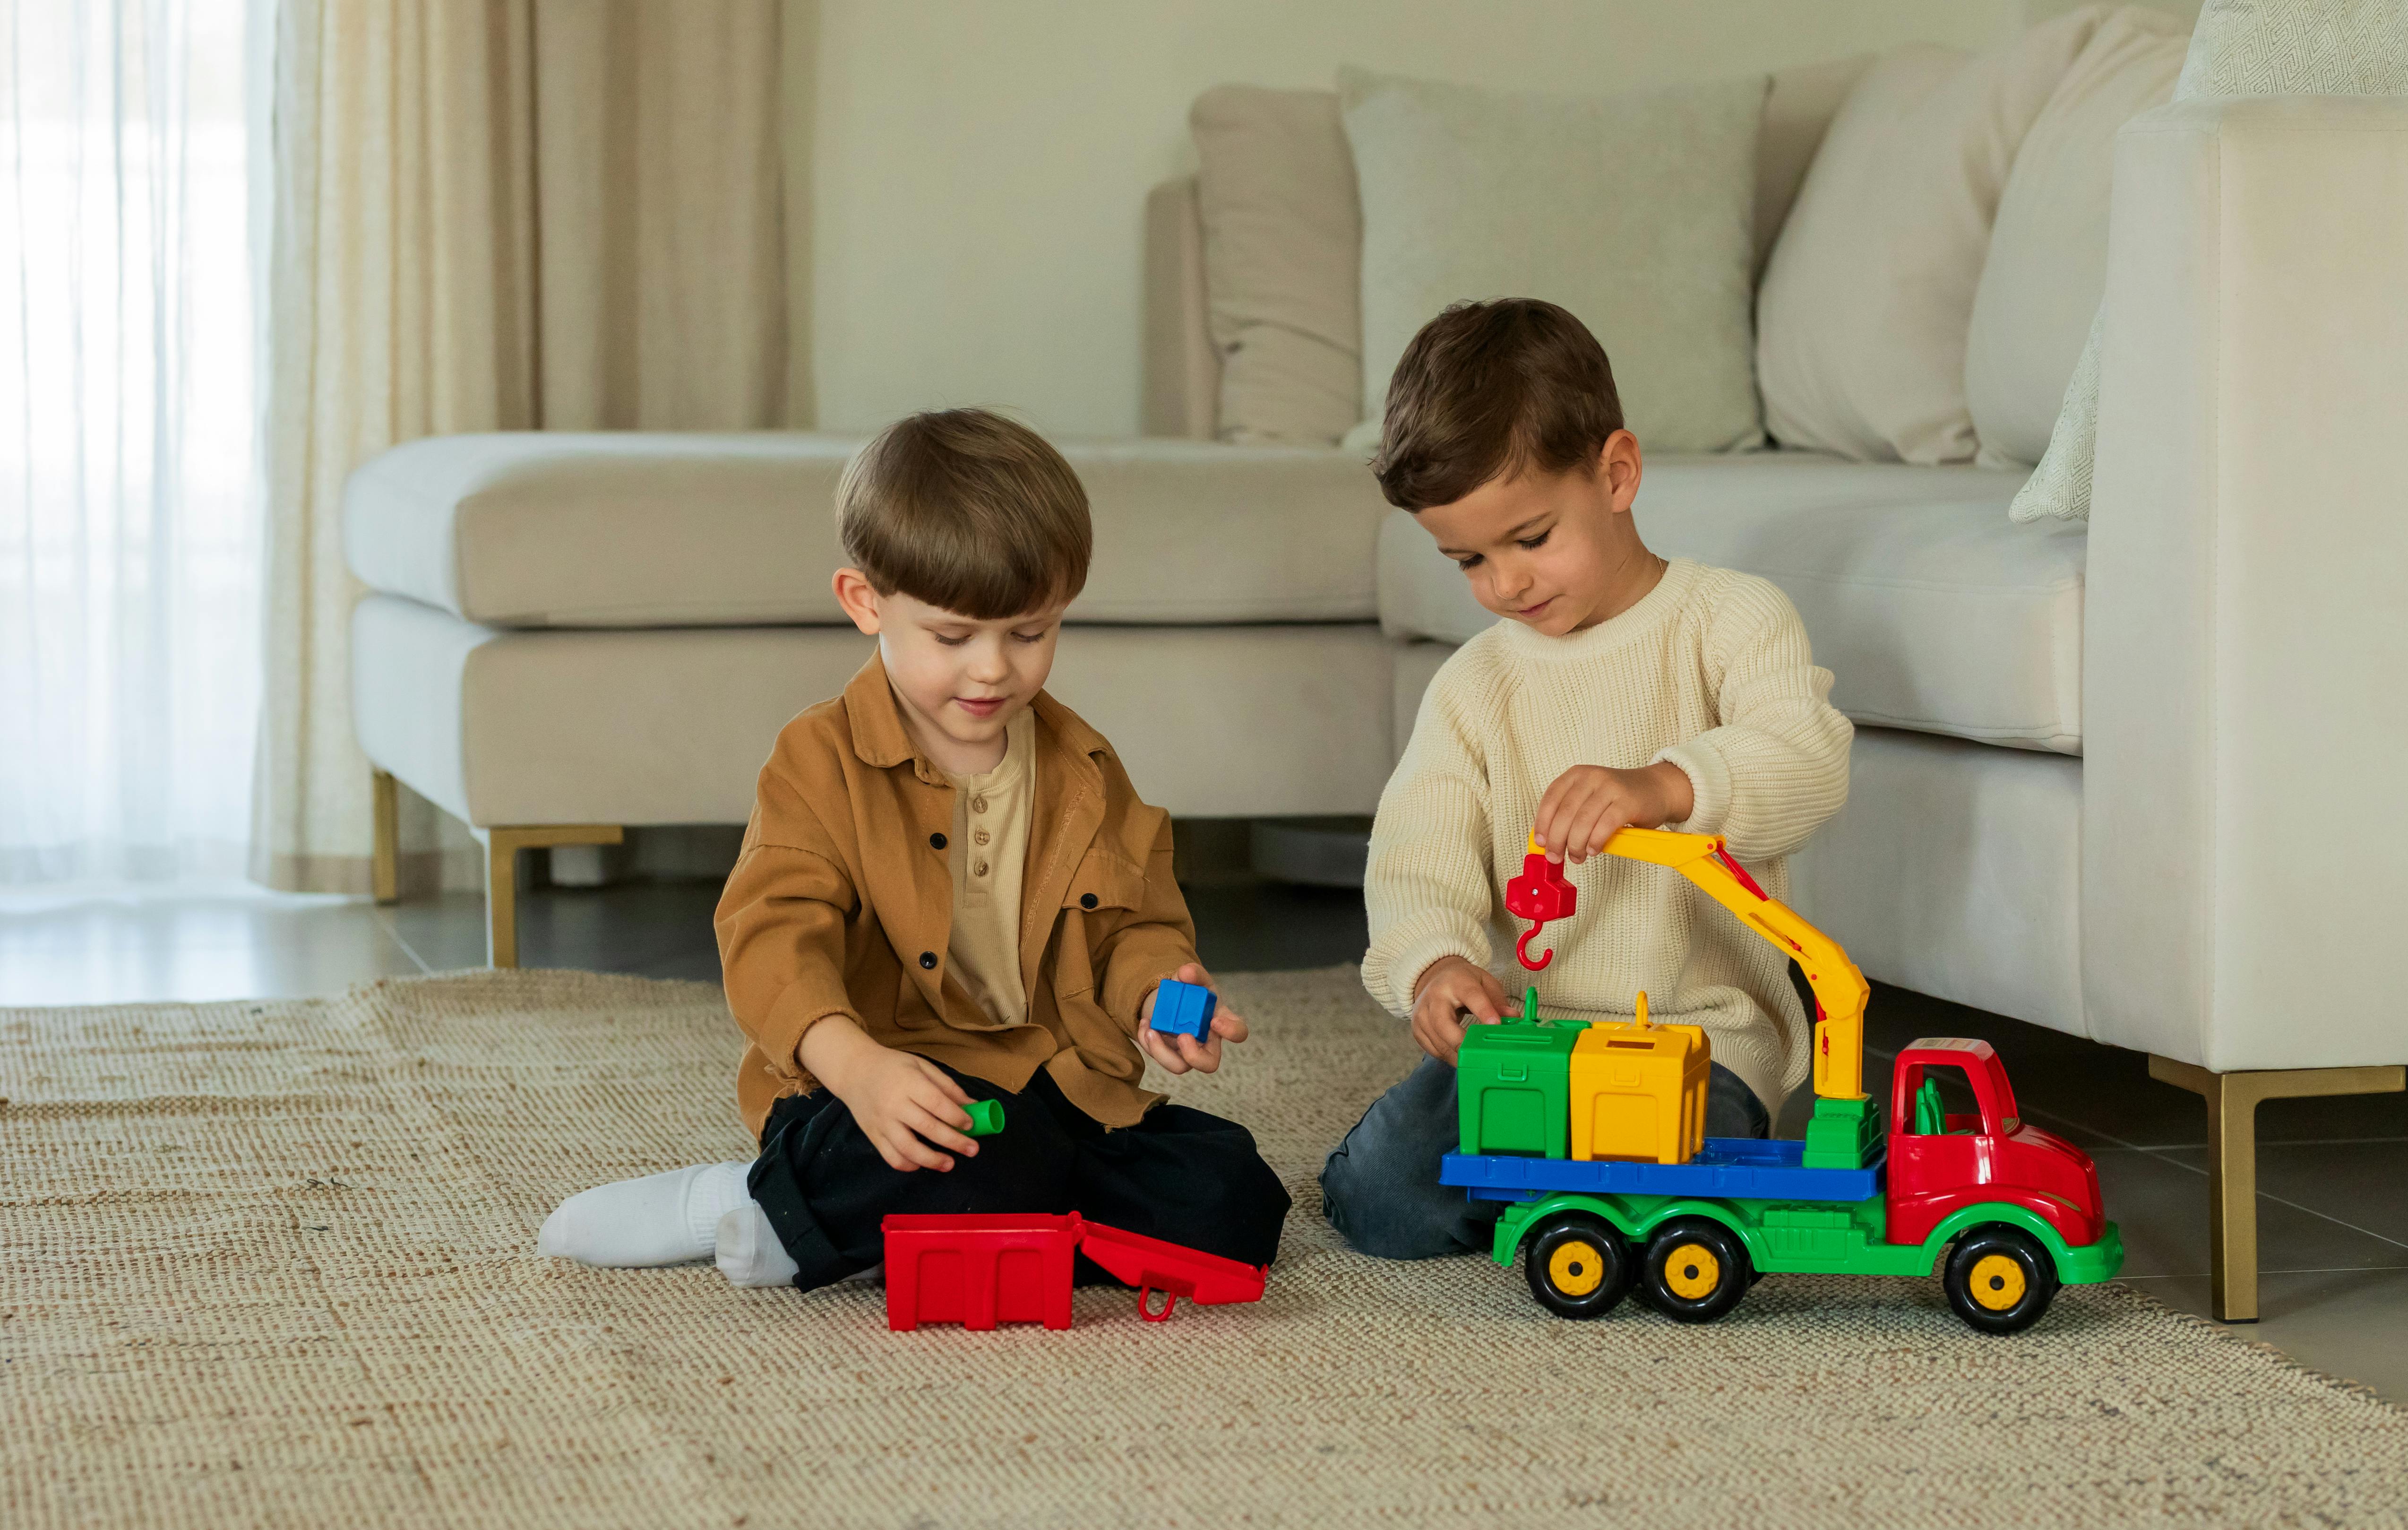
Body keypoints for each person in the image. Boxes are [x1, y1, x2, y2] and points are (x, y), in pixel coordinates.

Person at [539, 409, 1290, 1289]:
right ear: (865, 602)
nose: (992, 670)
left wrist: (1157, 991)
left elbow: (1139, 923)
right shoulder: (817, 760)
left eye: (1029, 632)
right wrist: (855, 1067)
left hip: (1053, 1091)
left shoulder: (1085, 769)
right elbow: (771, 936)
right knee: (944, 1154)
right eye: (953, 636)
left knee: (1232, 1198)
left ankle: (961, 1226)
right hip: (882, 1087)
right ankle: (738, 1197)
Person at [1322, 299, 1852, 1259]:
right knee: (1379, 1199)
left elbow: (1806, 760)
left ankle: (1554, 1207)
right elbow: (1418, 850)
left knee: (1690, 1189)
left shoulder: (1731, 620)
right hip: (1529, 1041)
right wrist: (1433, 961)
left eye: (1530, 538)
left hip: (1699, 1044)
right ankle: (1551, 1201)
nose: (1505, 585)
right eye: (1468, 560)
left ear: (1615, 473)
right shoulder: (1475, 683)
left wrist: (1670, 784)